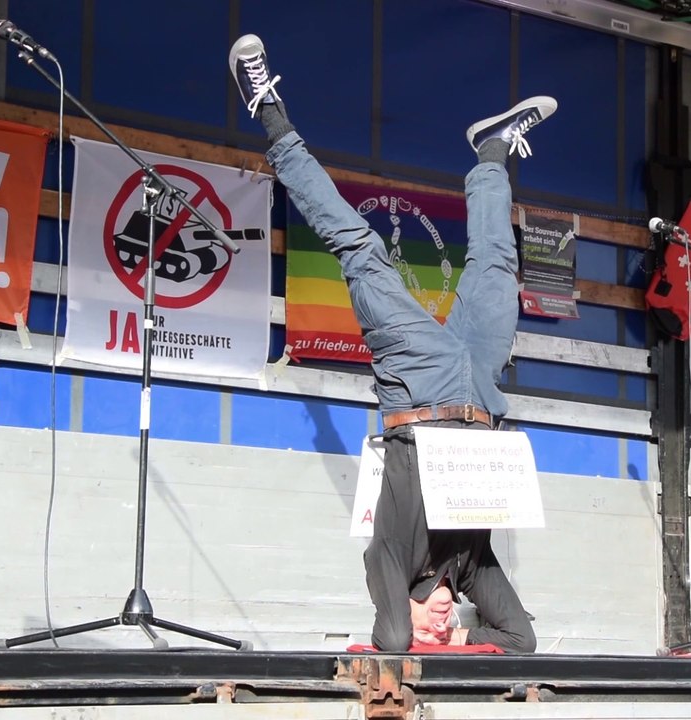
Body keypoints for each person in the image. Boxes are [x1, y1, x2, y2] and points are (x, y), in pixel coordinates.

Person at [230, 34, 552, 653]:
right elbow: (520, 639)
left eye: (427, 622)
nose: (438, 621)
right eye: (446, 623)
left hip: (419, 386)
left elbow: (395, 641)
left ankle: (268, 111)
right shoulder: (470, 567)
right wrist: (459, 642)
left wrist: (422, 639)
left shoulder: (392, 559)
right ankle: (490, 152)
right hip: (482, 387)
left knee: (361, 250)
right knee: (495, 268)